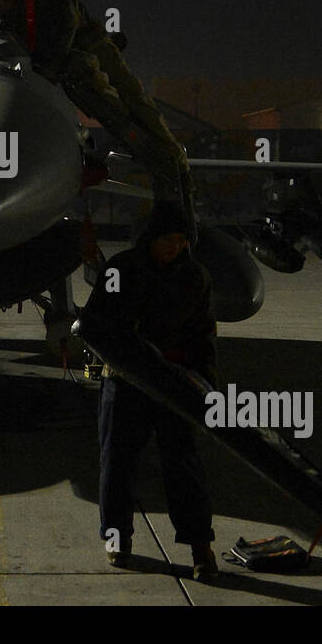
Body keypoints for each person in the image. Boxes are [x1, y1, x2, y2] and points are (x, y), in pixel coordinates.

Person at [0, 0, 197, 241]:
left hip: (91, 48)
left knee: (135, 103)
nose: (0, 10)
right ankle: (169, 164)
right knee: (117, 101)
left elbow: (65, 26)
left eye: (0, 2)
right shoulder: (4, 15)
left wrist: (49, 72)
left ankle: (174, 161)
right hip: (68, 64)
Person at [79, 199, 220, 581]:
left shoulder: (195, 278)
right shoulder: (120, 271)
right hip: (125, 382)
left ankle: (200, 547)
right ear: (149, 238)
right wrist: (119, 358)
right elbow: (92, 324)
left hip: (174, 384)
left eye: (181, 239)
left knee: (183, 465)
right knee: (117, 462)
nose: (175, 246)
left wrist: (206, 386)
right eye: (167, 239)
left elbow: (204, 336)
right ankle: (116, 537)